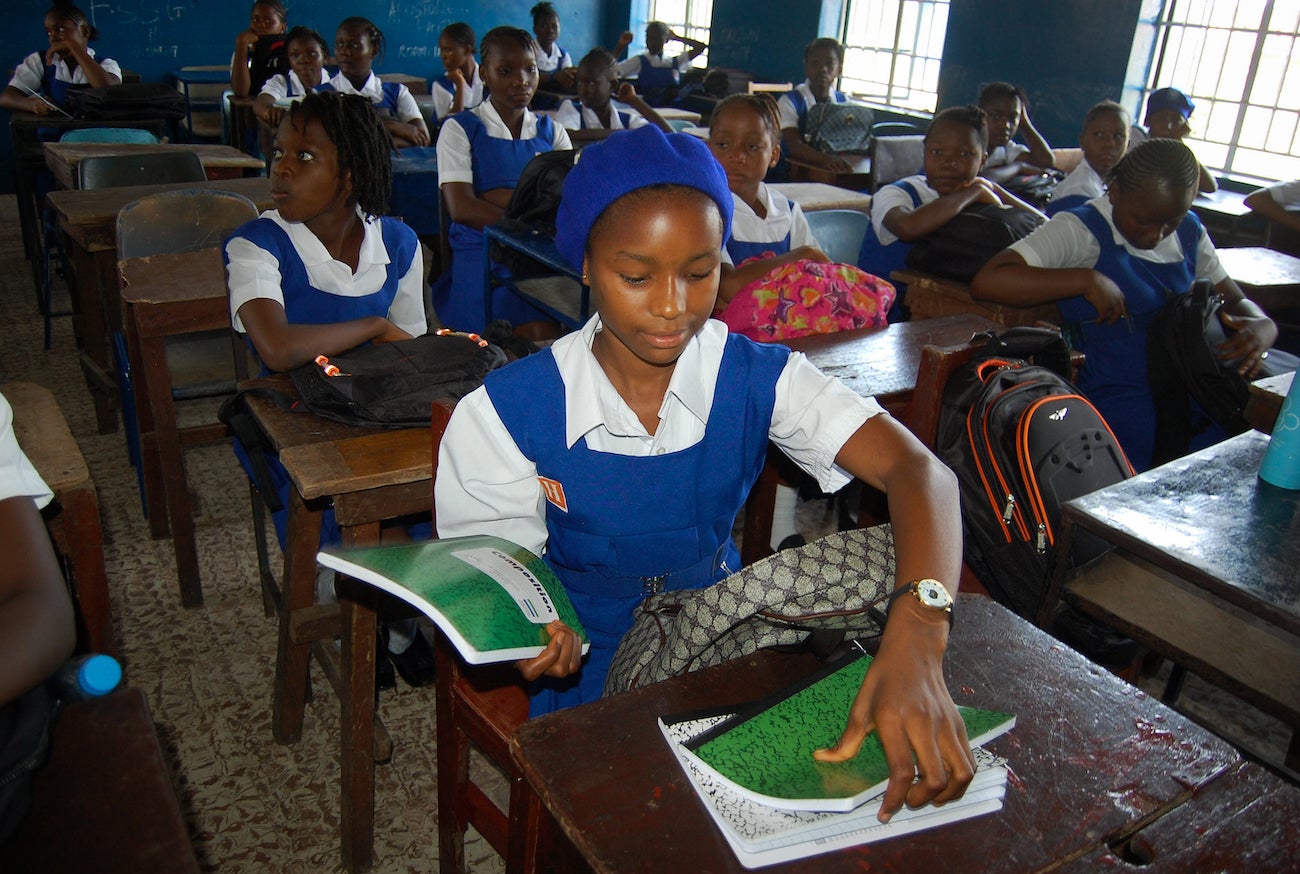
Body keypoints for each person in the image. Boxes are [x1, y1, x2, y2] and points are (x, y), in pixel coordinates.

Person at [435, 123, 973, 822]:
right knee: (628, 821)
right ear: (587, 266)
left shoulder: (754, 375)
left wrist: (921, 633)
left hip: (720, 638)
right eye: (636, 276)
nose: (672, 305)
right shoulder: (512, 411)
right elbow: (488, 571)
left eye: (699, 272)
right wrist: (528, 626)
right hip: (588, 666)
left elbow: (921, 473)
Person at [224, 91, 435, 687]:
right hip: (293, 426)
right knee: (373, 529)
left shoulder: (398, 243)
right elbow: (276, 347)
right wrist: (371, 326)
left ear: (350, 176)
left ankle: (393, 619)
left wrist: (387, 340)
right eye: (279, 152)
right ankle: (366, 615)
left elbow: (413, 351)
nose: (281, 168)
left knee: (436, 497)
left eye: (304, 156)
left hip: (377, 409)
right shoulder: (256, 244)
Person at [971, 138, 1278, 471]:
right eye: (1144, 222)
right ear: (1115, 192)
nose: (1156, 234)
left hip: (1192, 388)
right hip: (1121, 397)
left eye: (1170, 222)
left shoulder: (1189, 231)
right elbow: (989, 280)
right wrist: (1084, 279)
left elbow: (1235, 300)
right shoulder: (1080, 229)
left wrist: (1263, 323)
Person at [434, 26, 573, 333]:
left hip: (539, 255)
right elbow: (462, 208)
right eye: (506, 71)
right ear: (485, 73)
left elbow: (568, 203)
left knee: (552, 328)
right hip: (481, 249)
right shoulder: (460, 129)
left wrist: (495, 197)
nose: (521, 80)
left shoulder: (552, 132)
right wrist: (531, 222)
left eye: (530, 69)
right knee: (495, 337)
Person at [859, 104, 1044, 321]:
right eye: (937, 152)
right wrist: (974, 192)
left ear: (983, 160)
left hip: (938, 308)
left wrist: (993, 189)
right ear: (924, 151)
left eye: (965, 154)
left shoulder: (978, 193)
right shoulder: (896, 193)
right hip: (877, 314)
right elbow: (908, 227)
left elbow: (1044, 226)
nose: (949, 163)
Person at [315, 17, 430, 148]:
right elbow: (326, 144)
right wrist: (390, 126)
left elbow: (423, 138)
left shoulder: (397, 93)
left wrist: (360, 140)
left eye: (354, 45)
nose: (344, 51)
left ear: (374, 51)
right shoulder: (320, 95)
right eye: (340, 44)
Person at [0, 3, 120, 116]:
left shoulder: (106, 64)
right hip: (52, 131)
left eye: (61, 29)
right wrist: (32, 105)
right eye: (48, 32)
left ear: (84, 31)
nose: (52, 37)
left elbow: (109, 92)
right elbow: (6, 98)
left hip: (92, 131)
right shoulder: (41, 61)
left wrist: (73, 46)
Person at [555, 47, 671, 142]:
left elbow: (670, 136)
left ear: (612, 85)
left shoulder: (627, 121)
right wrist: (627, 133)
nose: (583, 89)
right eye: (580, 82)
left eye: (591, 83)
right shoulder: (571, 109)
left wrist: (634, 101)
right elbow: (568, 135)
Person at [777, 37, 854, 174]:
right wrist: (828, 160)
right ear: (806, 66)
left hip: (832, 171)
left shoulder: (844, 102)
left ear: (839, 69)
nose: (823, 69)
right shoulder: (790, 101)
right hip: (791, 173)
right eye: (815, 63)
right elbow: (794, 145)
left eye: (829, 63)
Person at [1046, 100, 1129, 216]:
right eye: (1099, 134)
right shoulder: (1078, 192)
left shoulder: (1114, 184)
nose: (1109, 143)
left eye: (1118, 136)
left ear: (1128, 144)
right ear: (1082, 141)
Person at [1129, 87, 1217, 193]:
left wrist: (1179, 143)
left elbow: (1209, 187)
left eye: (1176, 120)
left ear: (1184, 127)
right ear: (1147, 120)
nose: (1168, 126)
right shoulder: (1136, 137)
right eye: (1161, 118)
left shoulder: (1175, 151)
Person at [976, 81, 1055, 184]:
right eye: (996, 116)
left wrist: (1025, 124)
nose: (1005, 125)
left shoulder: (1005, 149)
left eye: (1012, 118)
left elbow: (1045, 162)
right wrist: (1019, 166)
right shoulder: (967, 141)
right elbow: (979, 180)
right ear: (981, 114)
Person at [612, 20, 707, 106]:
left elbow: (700, 47)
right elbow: (611, 69)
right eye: (649, 38)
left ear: (666, 40)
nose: (652, 43)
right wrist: (620, 46)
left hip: (673, 109)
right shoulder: (640, 61)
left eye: (657, 39)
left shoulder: (674, 62)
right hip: (649, 109)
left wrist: (677, 38)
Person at [253, 25, 328, 129]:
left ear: (324, 56)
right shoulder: (282, 82)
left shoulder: (335, 83)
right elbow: (261, 102)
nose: (303, 60)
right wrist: (269, 111)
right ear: (289, 60)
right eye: (295, 55)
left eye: (311, 53)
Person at [230, 1, 287, 98]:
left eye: (268, 21)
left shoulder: (290, 50)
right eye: (255, 20)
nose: (261, 25)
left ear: (282, 27)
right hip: (251, 104)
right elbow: (241, 92)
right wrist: (241, 43)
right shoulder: (244, 50)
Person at [430, 22, 483, 125]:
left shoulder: (488, 78)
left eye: (448, 50)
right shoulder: (442, 85)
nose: (443, 56)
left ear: (466, 49)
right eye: (442, 51)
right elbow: (452, 125)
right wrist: (459, 85)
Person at [530, 2, 575, 97]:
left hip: (556, 102)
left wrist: (570, 76)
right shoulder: (528, 52)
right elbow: (528, 78)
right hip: (532, 101)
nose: (550, 31)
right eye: (544, 26)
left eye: (554, 27)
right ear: (535, 29)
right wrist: (554, 77)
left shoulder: (563, 56)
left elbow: (567, 81)